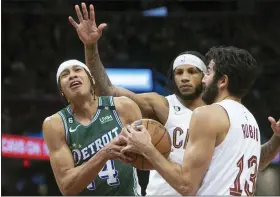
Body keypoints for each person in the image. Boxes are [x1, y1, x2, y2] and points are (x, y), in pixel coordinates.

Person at [68, 3, 280, 195]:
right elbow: (109, 92)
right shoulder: (245, 118)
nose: (186, 77)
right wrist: (90, 47)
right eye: (179, 72)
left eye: (197, 72)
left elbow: (189, 185)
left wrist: (147, 148)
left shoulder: (212, 114)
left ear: (219, 79)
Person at [121, 46, 280, 195]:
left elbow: (186, 186)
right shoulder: (250, 120)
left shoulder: (208, 114)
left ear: (222, 81)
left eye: (209, 72)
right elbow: (260, 162)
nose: (204, 80)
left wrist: (147, 148)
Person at [42, 59, 142, 196]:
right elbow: (67, 187)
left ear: (92, 80)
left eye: (77, 70)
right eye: (65, 75)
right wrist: (104, 153)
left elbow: (147, 157)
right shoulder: (55, 124)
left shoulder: (123, 107)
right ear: (61, 91)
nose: (72, 75)